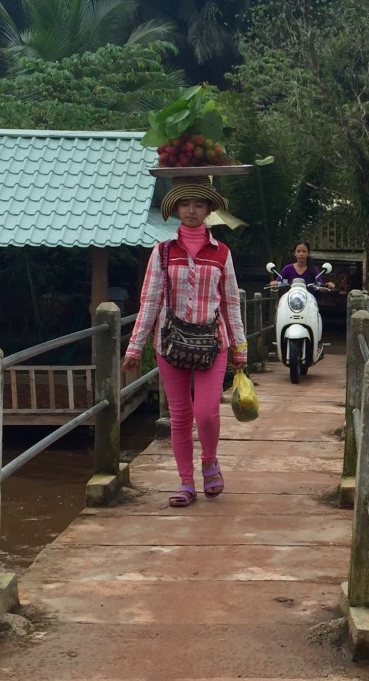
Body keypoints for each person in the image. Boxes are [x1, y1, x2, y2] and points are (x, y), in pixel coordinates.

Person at [122, 180, 247, 508]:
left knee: (206, 412)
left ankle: (209, 461)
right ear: (176, 209)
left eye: (198, 204)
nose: (191, 211)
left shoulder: (222, 253)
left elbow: (231, 302)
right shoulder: (162, 251)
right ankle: (185, 482)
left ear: (208, 210)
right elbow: (149, 300)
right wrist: (135, 347)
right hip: (170, 343)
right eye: (185, 204)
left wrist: (240, 346)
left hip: (213, 343)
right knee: (179, 416)